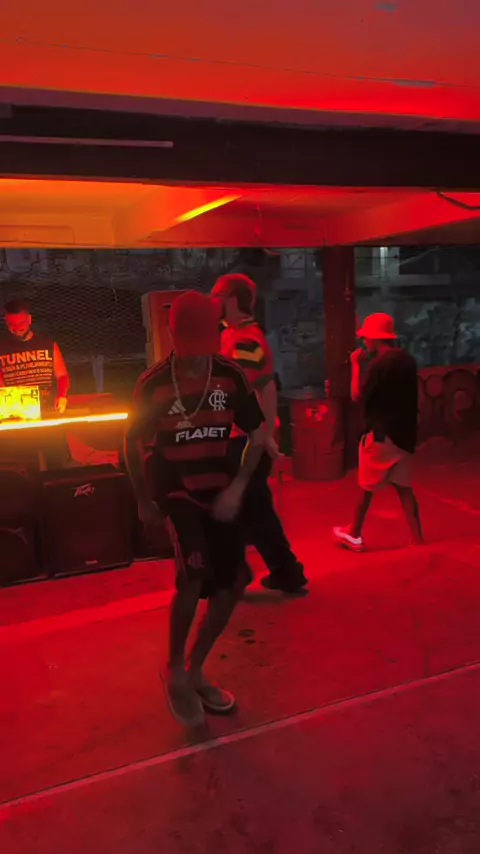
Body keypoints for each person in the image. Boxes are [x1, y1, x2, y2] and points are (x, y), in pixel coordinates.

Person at [124, 291, 265, 727]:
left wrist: (237, 488)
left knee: (234, 582)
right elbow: (131, 442)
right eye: (189, 348)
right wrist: (142, 498)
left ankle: (194, 667)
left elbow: (259, 436)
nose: (196, 359)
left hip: (218, 486)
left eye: (204, 347)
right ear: (173, 337)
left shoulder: (230, 376)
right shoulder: (153, 384)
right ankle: (174, 670)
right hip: (176, 488)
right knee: (193, 574)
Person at [212, 273, 307, 594]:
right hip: (247, 437)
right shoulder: (237, 335)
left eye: (217, 295)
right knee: (252, 509)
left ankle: (261, 572)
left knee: (244, 508)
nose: (213, 301)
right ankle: (281, 571)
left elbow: (242, 391)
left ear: (232, 300)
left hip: (243, 439)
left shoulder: (245, 341)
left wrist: (261, 434)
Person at [333, 312, 423, 551]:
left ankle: (354, 534)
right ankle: (418, 539)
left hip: (381, 435)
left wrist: (355, 365)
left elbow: (356, 395)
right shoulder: (407, 360)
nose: (364, 342)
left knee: (366, 487)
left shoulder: (379, 364)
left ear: (375, 338)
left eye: (366, 338)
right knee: (404, 488)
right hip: (404, 436)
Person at [0, 299, 69, 414]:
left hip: (47, 408)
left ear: (29, 319)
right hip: (16, 411)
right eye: (11, 324)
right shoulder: (2, 349)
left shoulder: (48, 345)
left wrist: (62, 396)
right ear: (6, 322)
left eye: (20, 323)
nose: (16, 328)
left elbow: (62, 375)